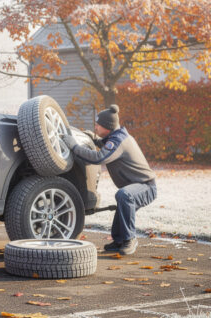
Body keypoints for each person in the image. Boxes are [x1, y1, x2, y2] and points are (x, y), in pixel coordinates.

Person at [61, 104, 157, 255]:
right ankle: (119, 241)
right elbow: (103, 144)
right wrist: (93, 138)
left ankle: (129, 239)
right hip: (137, 185)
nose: (96, 127)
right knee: (124, 197)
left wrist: (73, 147)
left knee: (125, 195)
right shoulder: (116, 136)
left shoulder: (118, 140)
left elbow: (99, 157)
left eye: (98, 125)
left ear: (108, 126)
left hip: (146, 187)